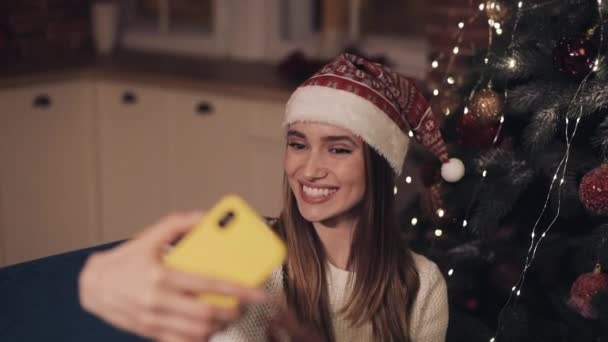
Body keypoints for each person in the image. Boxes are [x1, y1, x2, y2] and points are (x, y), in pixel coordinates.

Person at [79, 53, 459, 342]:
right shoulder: (250, 256)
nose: (308, 170)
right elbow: (165, 280)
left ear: (379, 166)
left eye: (338, 150)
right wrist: (96, 281)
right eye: (297, 144)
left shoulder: (421, 285)